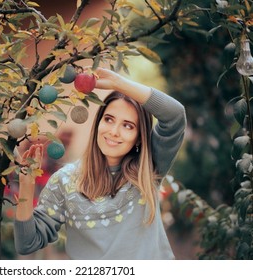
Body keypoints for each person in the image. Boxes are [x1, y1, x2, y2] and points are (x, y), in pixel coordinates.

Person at [14, 67, 186, 259]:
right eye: (109, 119)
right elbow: (27, 243)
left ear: (139, 137)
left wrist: (118, 83)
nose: (114, 131)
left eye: (128, 126)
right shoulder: (65, 181)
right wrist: (26, 185)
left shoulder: (148, 167)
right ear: (98, 123)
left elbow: (175, 115)